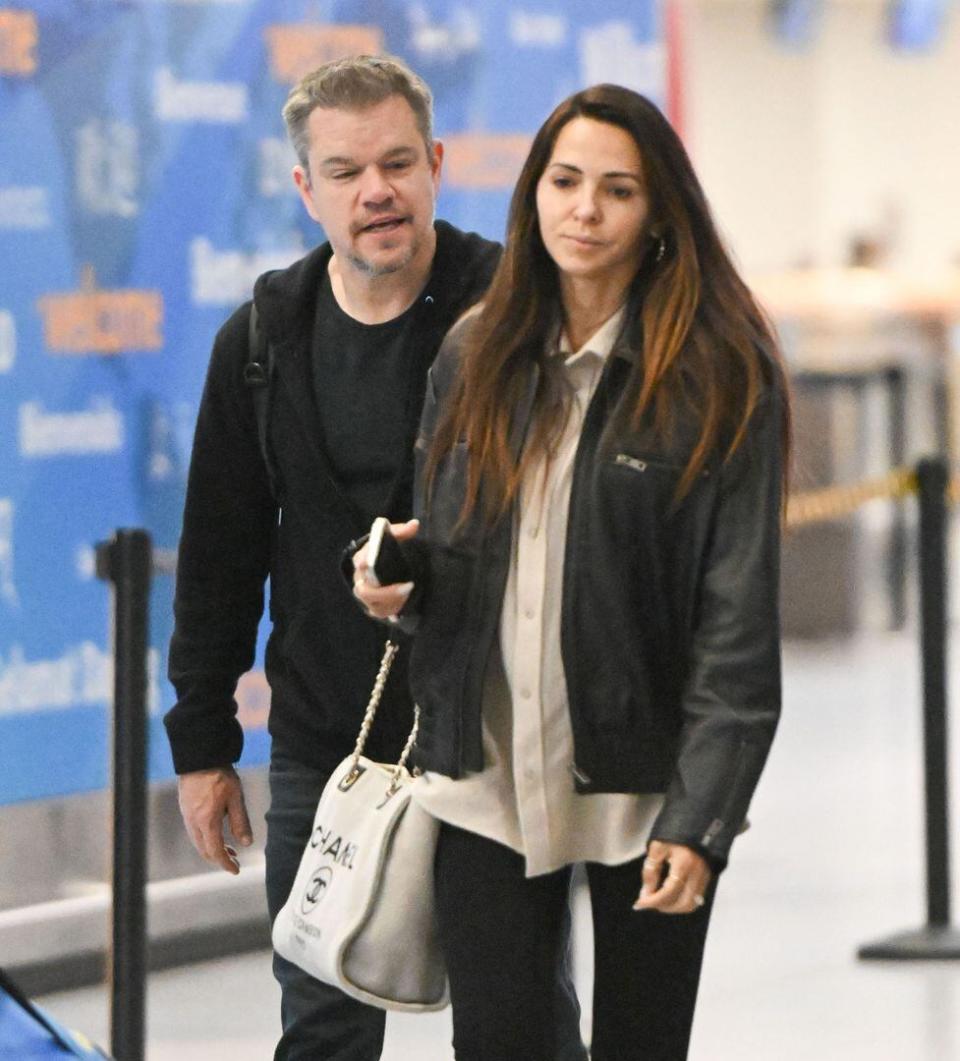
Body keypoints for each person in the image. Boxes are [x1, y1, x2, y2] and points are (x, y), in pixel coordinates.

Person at [354, 83, 791, 1061]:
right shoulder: (475, 351)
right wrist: (402, 580)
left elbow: (736, 620)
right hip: (486, 777)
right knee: (499, 1043)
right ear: (533, 192)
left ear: (658, 215)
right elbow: (462, 560)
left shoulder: (720, 374)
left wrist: (703, 818)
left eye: (617, 189)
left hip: (644, 789)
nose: (584, 209)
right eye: (564, 180)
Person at [164, 55, 586, 1061]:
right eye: (347, 172)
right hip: (329, 741)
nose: (377, 191)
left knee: (519, 1026)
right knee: (320, 1027)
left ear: (437, 164)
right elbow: (219, 551)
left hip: (491, 737)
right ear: (306, 189)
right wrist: (202, 741)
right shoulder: (263, 338)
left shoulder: (515, 313)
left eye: (398, 162)